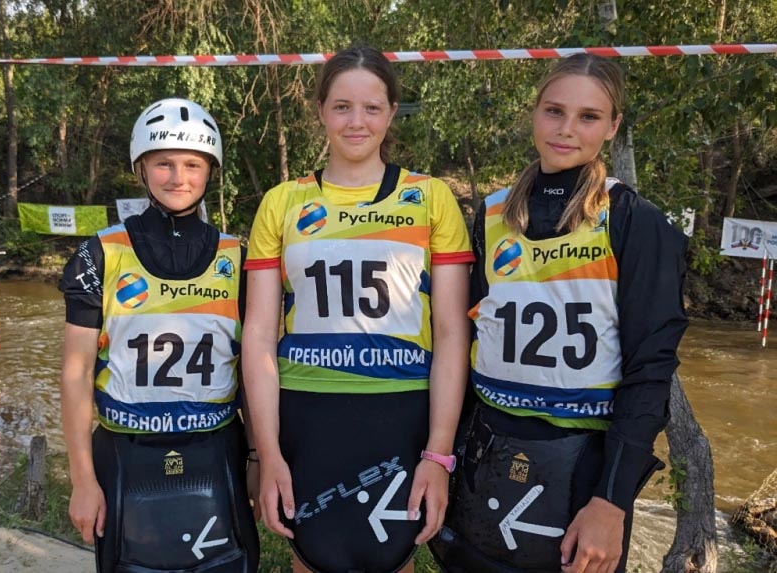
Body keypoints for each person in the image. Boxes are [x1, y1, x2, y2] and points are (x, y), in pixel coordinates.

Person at [429, 54, 688, 573]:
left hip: (582, 467)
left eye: (589, 116)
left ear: (612, 126)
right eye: (554, 111)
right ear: (535, 113)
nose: (567, 129)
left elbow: (650, 369)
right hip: (487, 455)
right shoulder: (492, 215)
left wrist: (612, 501)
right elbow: (464, 339)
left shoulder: (633, 221)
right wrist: (442, 458)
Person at [242, 46, 474, 573]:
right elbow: (257, 335)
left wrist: (438, 453)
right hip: (308, 415)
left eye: (372, 108)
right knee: (313, 558)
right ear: (320, 110)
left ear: (391, 113)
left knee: (392, 559)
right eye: (342, 106)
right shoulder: (282, 202)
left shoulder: (430, 197)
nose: (356, 122)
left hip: (400, 414)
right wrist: (268, 451)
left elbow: (451, 335)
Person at [59, 97, 259, 573]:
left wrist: (256, 458)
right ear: (141, 168)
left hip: (215, 449)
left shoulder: (238, 257)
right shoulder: (100, 254)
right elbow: (75, 374)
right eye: (163, 163)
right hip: (126, 453)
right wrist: (82, 480)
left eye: (192, 164)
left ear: (210, 171)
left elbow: (253, 372)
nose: (178, 177)